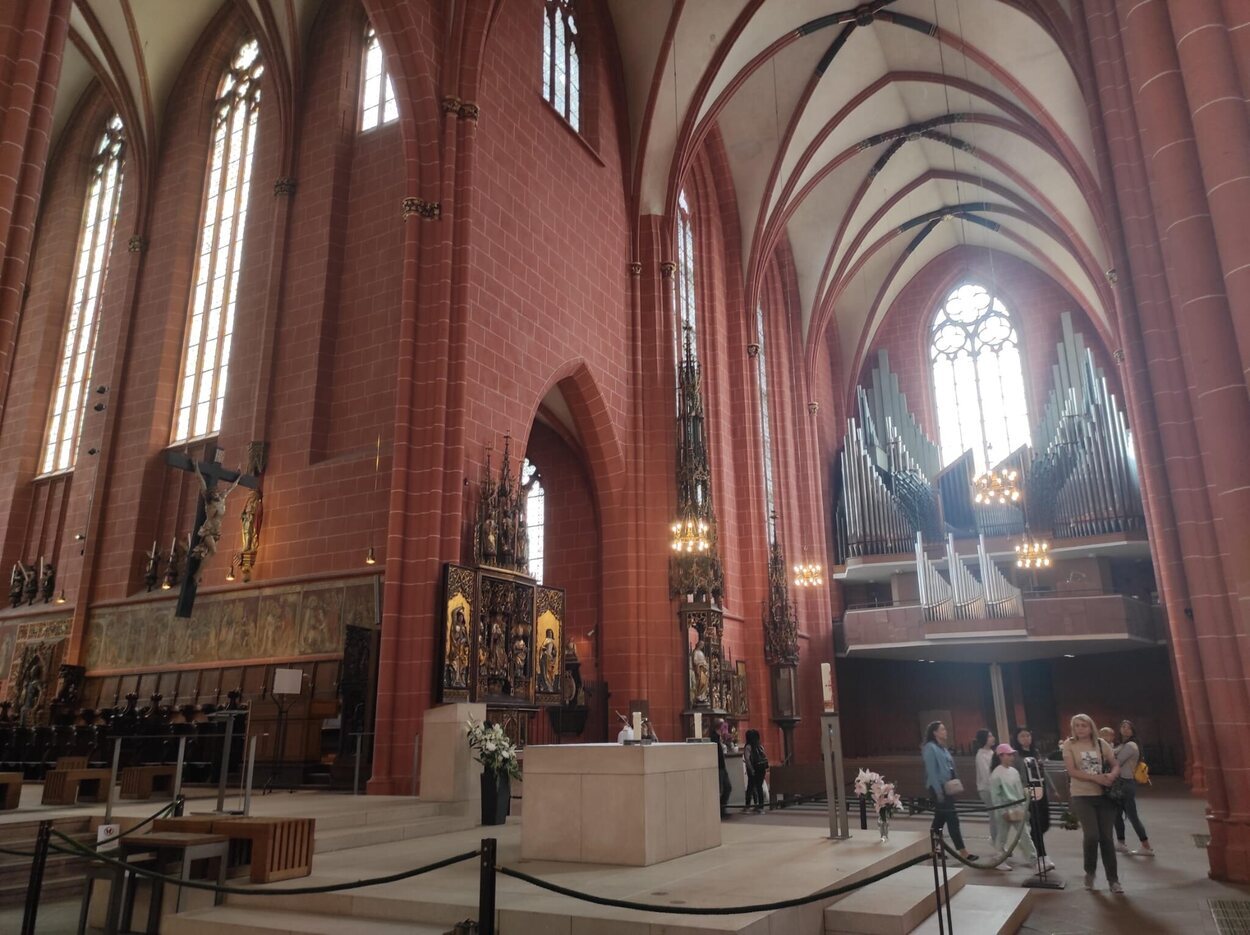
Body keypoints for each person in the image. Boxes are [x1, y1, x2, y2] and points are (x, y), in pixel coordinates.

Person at [1062, 713, 1123, 893]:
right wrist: (1095, 778)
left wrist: (1111, 775)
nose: (1080, 729)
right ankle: (1090, 871)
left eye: (1083, 725)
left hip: (1105, 795)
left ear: (1091, 727)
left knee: (1106, 838)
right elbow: (1072, 770)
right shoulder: (1069, 745)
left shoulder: (1101, 744)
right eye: (1077, 726)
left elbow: (1115, 764)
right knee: (1092, 836)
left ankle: (1113, 880)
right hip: (1082, 795)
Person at [922, 721, 978, 862]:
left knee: (939, 820)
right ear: (935, 732)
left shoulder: (943, 748)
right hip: (938, 788)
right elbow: (932, 771)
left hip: (947, 787)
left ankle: (933, 848)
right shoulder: (930, 748)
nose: (945, 731)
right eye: (942, 729)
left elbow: (950, 767)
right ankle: (963, 852)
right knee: (953, 819)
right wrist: (939, 791)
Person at [1011, 726, 1055, 870]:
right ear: (1017, 739)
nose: (1026, 738)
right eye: (1022, 736)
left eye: (1028, 735)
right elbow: (1015, 776)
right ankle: (1042, 855)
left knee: (1044, 823)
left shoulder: (1035, 752)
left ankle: (1029, 843)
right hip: (1028, 793)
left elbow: (1043, 771)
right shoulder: (1016, 756)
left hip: (1041, 790)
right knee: (1035, 824)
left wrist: (1052, 788)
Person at [990, 744, 1037, 866]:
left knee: (1025, 834)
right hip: (1004, 808)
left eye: (1012, 754)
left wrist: (1023, 806)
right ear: (1001, 756)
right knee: (1002, 835)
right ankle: (999, 859)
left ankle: (1034, 860)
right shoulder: (996, 774)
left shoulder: (1014, 771)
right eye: (1008, 754)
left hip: (1016, 807)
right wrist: (1002, 811)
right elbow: (995, 795)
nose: (1012, 757)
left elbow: (1019, 790)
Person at [1114, 720, 1154, 856]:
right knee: (1117, 814)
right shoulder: (1123, 744)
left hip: (1125, 783)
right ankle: (1121, 843)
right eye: (1123, 727)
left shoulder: (1131, 745)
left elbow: (1117, 762)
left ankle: (1146, 846)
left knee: (1132, 816)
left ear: (1133, 731)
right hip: (1119, 782)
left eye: (1129, 728)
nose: (1125, 729)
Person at [974, 728, 1006, 865]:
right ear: (984, 739)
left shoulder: (992, 752)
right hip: (987, 789)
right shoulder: (981, 755)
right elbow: (986, 775)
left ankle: (999, 842)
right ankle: (997, 845)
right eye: (990, 736)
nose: (993, 738)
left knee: (999, 817)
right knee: (994, 817)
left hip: (996, 789)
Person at [742, 728, 769, 814]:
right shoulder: (760, 746)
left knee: (750, 788)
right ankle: (761, 807)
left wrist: (751, 770)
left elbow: (747, 759)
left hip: (754, 769)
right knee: (759, 787)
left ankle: (747, 807)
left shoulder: (748, 747)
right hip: (761, 769)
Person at [713, 718, 732, 818]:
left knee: (728, 787)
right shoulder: (713, 737)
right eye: (723, 725)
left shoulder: (719, 736)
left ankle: (722, 808)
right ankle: (720, 811)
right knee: (719, 789)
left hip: (722, 766)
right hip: (718, 767)